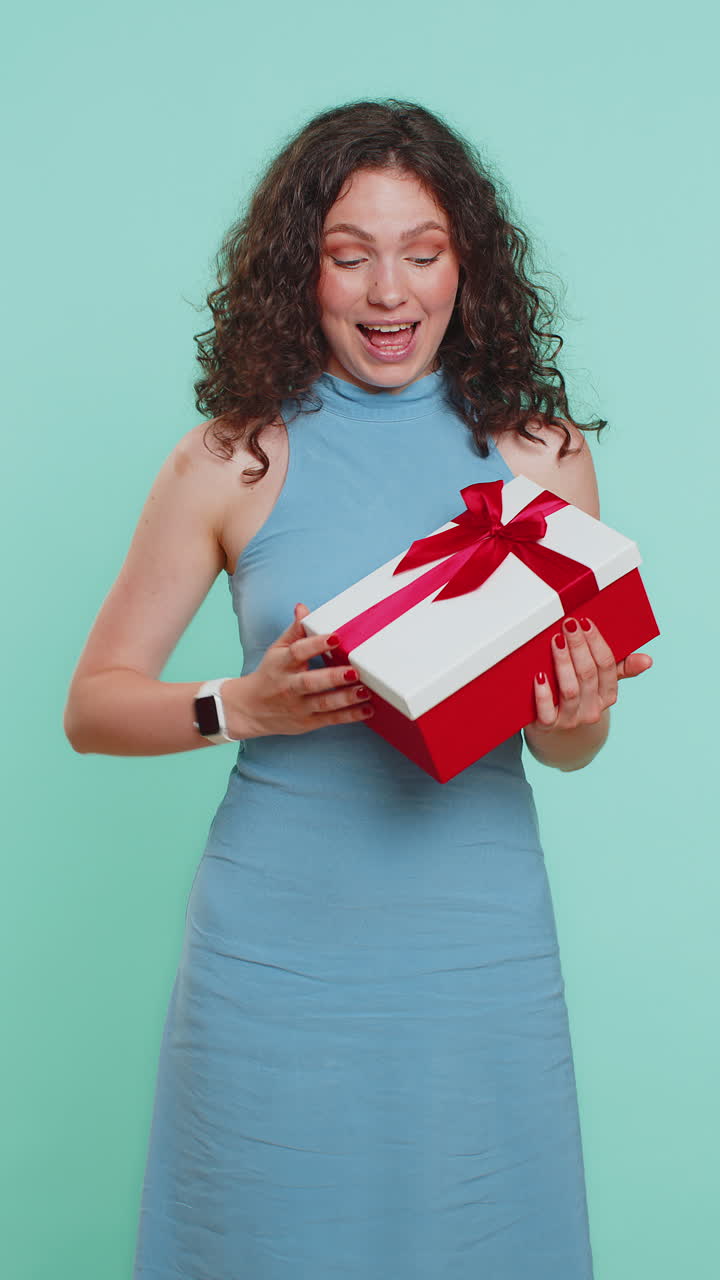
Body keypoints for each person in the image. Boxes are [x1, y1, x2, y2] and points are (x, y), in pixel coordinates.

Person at [64, 99, 652, 1279]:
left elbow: (567, 751)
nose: (390, 293)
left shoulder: (540, 455)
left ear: (464, 265)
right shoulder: (233, 457)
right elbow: (93, 704)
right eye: (350, 257)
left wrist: (581, 714)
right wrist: (242, 702)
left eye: (422, 253)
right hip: (273, 951)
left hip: (476, 946)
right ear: (304, 272)